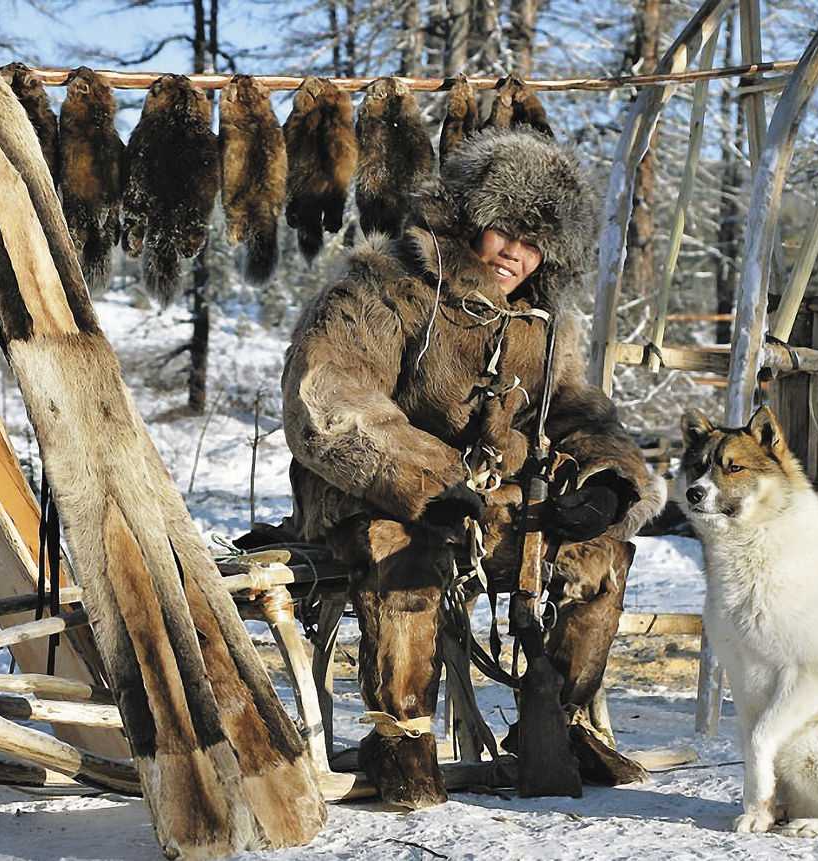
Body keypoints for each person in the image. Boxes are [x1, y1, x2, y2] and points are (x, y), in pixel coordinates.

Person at [281, 128, 666, 808]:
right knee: (405, 548)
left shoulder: (541, 322)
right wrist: (434, 481)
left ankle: (562, 723)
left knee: (598, 554)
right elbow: (329, 398)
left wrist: (604, 480)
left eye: (535, 239)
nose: (517, 253)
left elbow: (571, 411)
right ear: (466, 218)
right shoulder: (383, 286)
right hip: (375, 496)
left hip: (489, 506)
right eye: (504, 229)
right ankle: (403, 738)